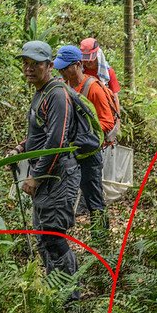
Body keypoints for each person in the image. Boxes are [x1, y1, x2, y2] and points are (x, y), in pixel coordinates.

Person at [6, 40, 86, 302]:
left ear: (50, 66)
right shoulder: (40, 93)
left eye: (35, 64)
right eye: (25, 63)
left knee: (53, 236)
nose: (29, 68)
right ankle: (55, 293)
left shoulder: (57, 94)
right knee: (43, 236)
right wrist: (20, 148)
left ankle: (69, 297)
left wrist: (36, 177)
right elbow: (40, 134)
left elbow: (57, 141)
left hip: (58, 176)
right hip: (47, 176)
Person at [53, 45, 114, 241]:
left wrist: (84, 136)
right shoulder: (64, 86)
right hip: (71, 152)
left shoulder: (93, 88)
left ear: (78, 65)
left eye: (65, 68)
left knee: (94, 198)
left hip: (89, 154)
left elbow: (107, 121)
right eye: (59, 68)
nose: (61, 72)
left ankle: (101, 239)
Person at [79, 38, 121, 108]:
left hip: (103, 107)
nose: (88, 62)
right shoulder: (81, 71)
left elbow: (115, 96)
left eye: (91, 59)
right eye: (86, 59)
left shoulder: (108, 72)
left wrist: (118, 116)